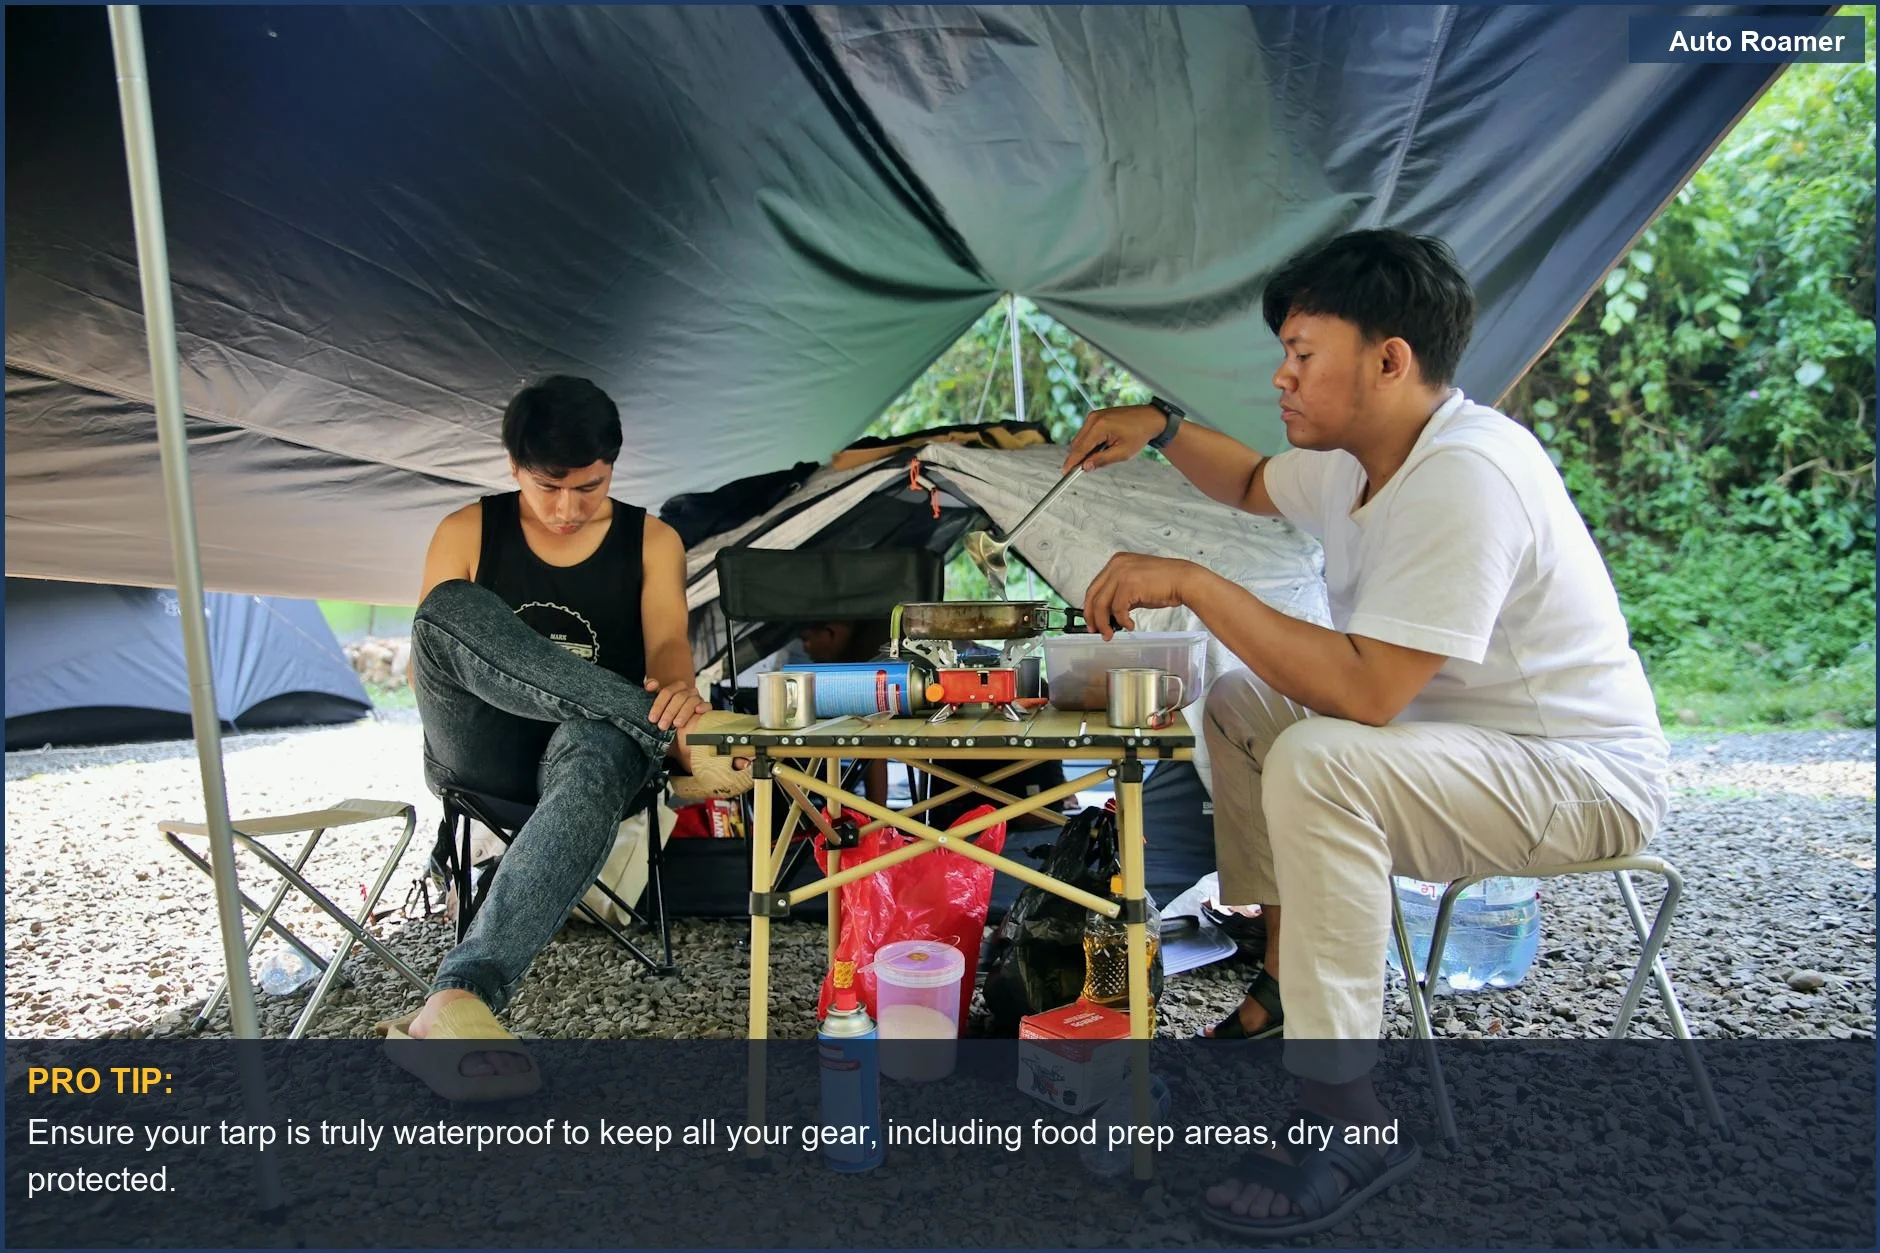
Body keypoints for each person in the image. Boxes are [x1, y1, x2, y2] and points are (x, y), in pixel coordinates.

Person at [1062, 229, 1668, 1237]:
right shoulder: (1358, 464)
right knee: (1243, 704)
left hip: (1578, 779)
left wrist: (1191, 581)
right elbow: (1254, 482)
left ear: (1389, 358)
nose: (1280, 374)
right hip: (1465, 761)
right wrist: (1160, 427)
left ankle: (1346, 1116)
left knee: (1319, 754)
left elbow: (1371, 691)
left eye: (1302, 352)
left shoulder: (1465, 473)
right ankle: (1284, 975)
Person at [381, 375, 752, 1101]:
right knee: (446, 609)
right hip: (479, 746)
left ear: (613, 466)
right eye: (548, 486)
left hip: (592, 755)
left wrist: (678, 694)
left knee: (599, 741)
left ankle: (459, 998)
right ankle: (647, 724)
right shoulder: (465, 530)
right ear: (513, 466)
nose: (567, 508)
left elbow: (669, 648)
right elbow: (440, 655)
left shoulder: (652, 539)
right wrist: (671, 727)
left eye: (591, 486)